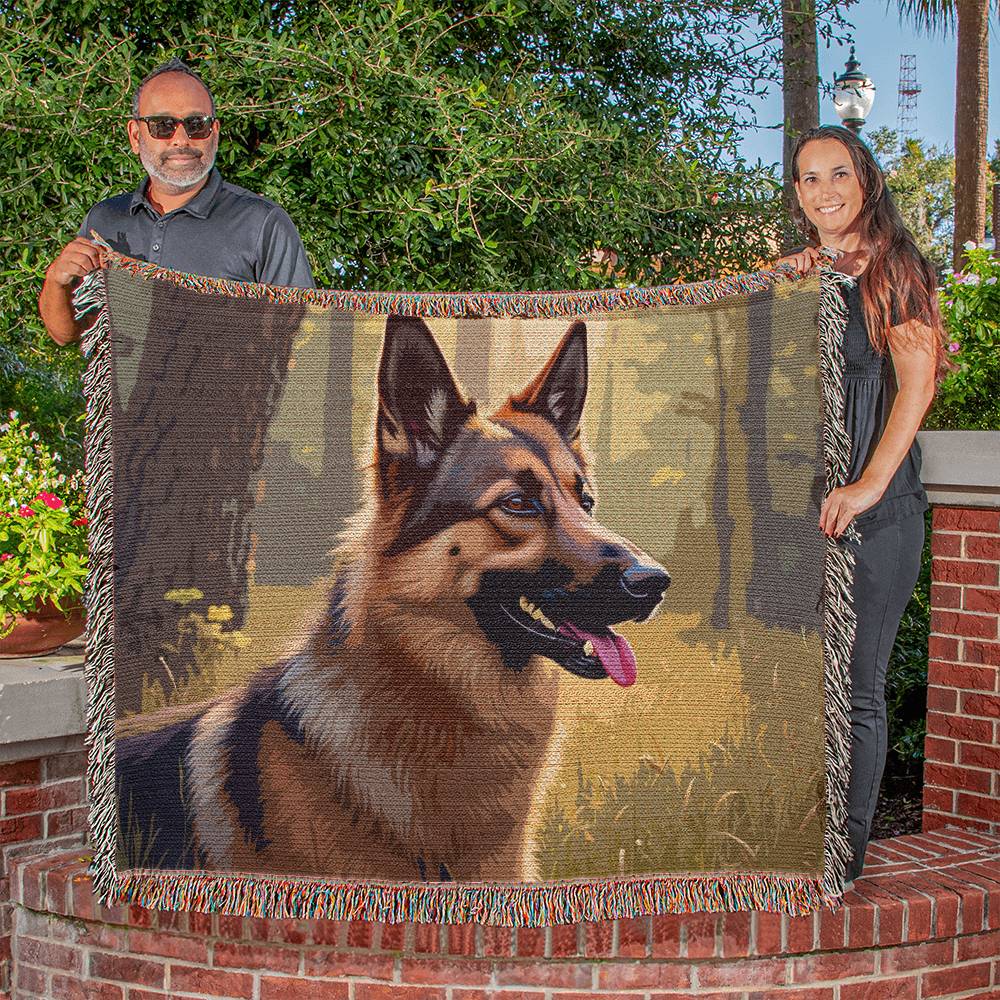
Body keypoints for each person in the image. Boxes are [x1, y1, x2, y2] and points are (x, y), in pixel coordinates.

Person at [775, 124, 944, 887]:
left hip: (877, 515)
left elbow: (918, 384)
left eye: (837, 174)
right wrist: (788, 282)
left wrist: (869, 486)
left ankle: (844, 858)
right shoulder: (811, 274)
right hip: (811, 516)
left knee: (859, 691)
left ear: (866, 180)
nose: (824, 192)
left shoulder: (896, 270)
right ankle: (797, 842)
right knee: (805, 684)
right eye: (808, 180)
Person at [39, 57, 314, 346]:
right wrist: (56, 280)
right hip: (125, 394)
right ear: (135, 136)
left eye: (197, 124)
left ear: (215, 133)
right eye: (163, 125)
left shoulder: (262, 224)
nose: (181, 139)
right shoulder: (104, 219)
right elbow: (66, 335)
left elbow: (303, 341)